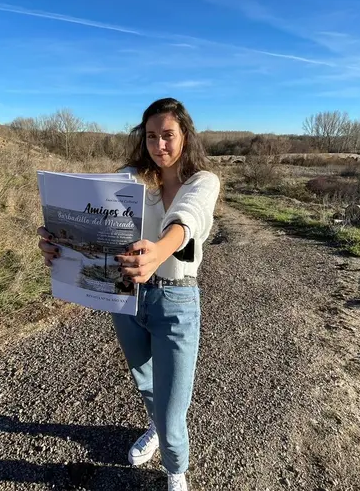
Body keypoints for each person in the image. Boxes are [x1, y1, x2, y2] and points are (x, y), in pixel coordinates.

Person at [38, 97, 220, 491]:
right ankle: (156, 430)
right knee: (145, 382)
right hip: (126, 297)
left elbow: (188, 217)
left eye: (168, 136)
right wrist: (57, 241)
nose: (161, 146)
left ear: (185, 136)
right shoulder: (132, 178)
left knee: (174, 407)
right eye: (152, 137)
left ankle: (176, 467)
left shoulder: (203, 181)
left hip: (177, 299)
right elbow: (92, 212)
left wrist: (158, 251)